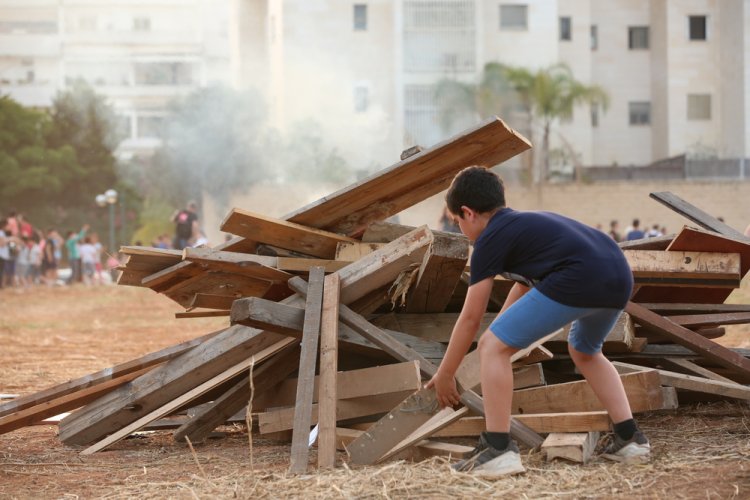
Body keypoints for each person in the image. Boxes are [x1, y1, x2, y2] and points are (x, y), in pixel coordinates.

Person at [425, 166, 649, 477]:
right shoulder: (522, 227)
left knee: (492, 346)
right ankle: (630, 440)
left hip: (580, 275)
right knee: (585, 350)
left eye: (457, 221)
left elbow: (470, 317)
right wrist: (497, 336)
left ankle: (498, 450)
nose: (460, 228)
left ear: (468, 213)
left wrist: (446, 372)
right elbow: (525, 285)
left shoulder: (490, 239)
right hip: (618, 275)